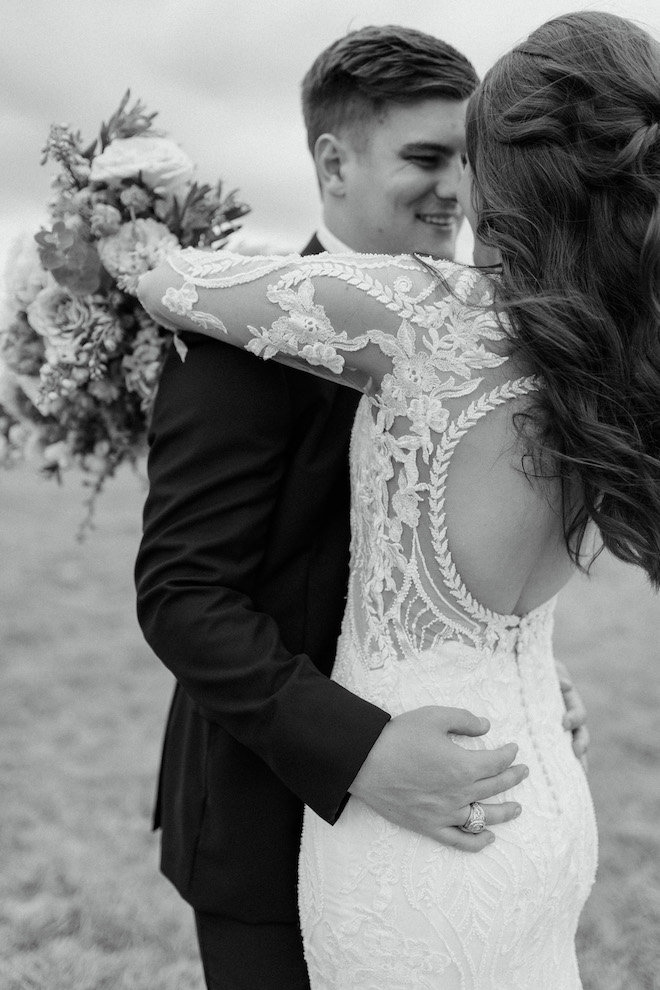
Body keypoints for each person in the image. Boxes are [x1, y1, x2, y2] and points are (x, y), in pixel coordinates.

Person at [138, 10, 660, 986]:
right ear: (334, 166)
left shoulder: (507, 323)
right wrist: (366, 749)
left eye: (470, 157)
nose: (456, 188)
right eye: (428, 156)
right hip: (272, 818)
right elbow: (182, 596)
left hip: (456, 822)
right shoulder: (591, 338)